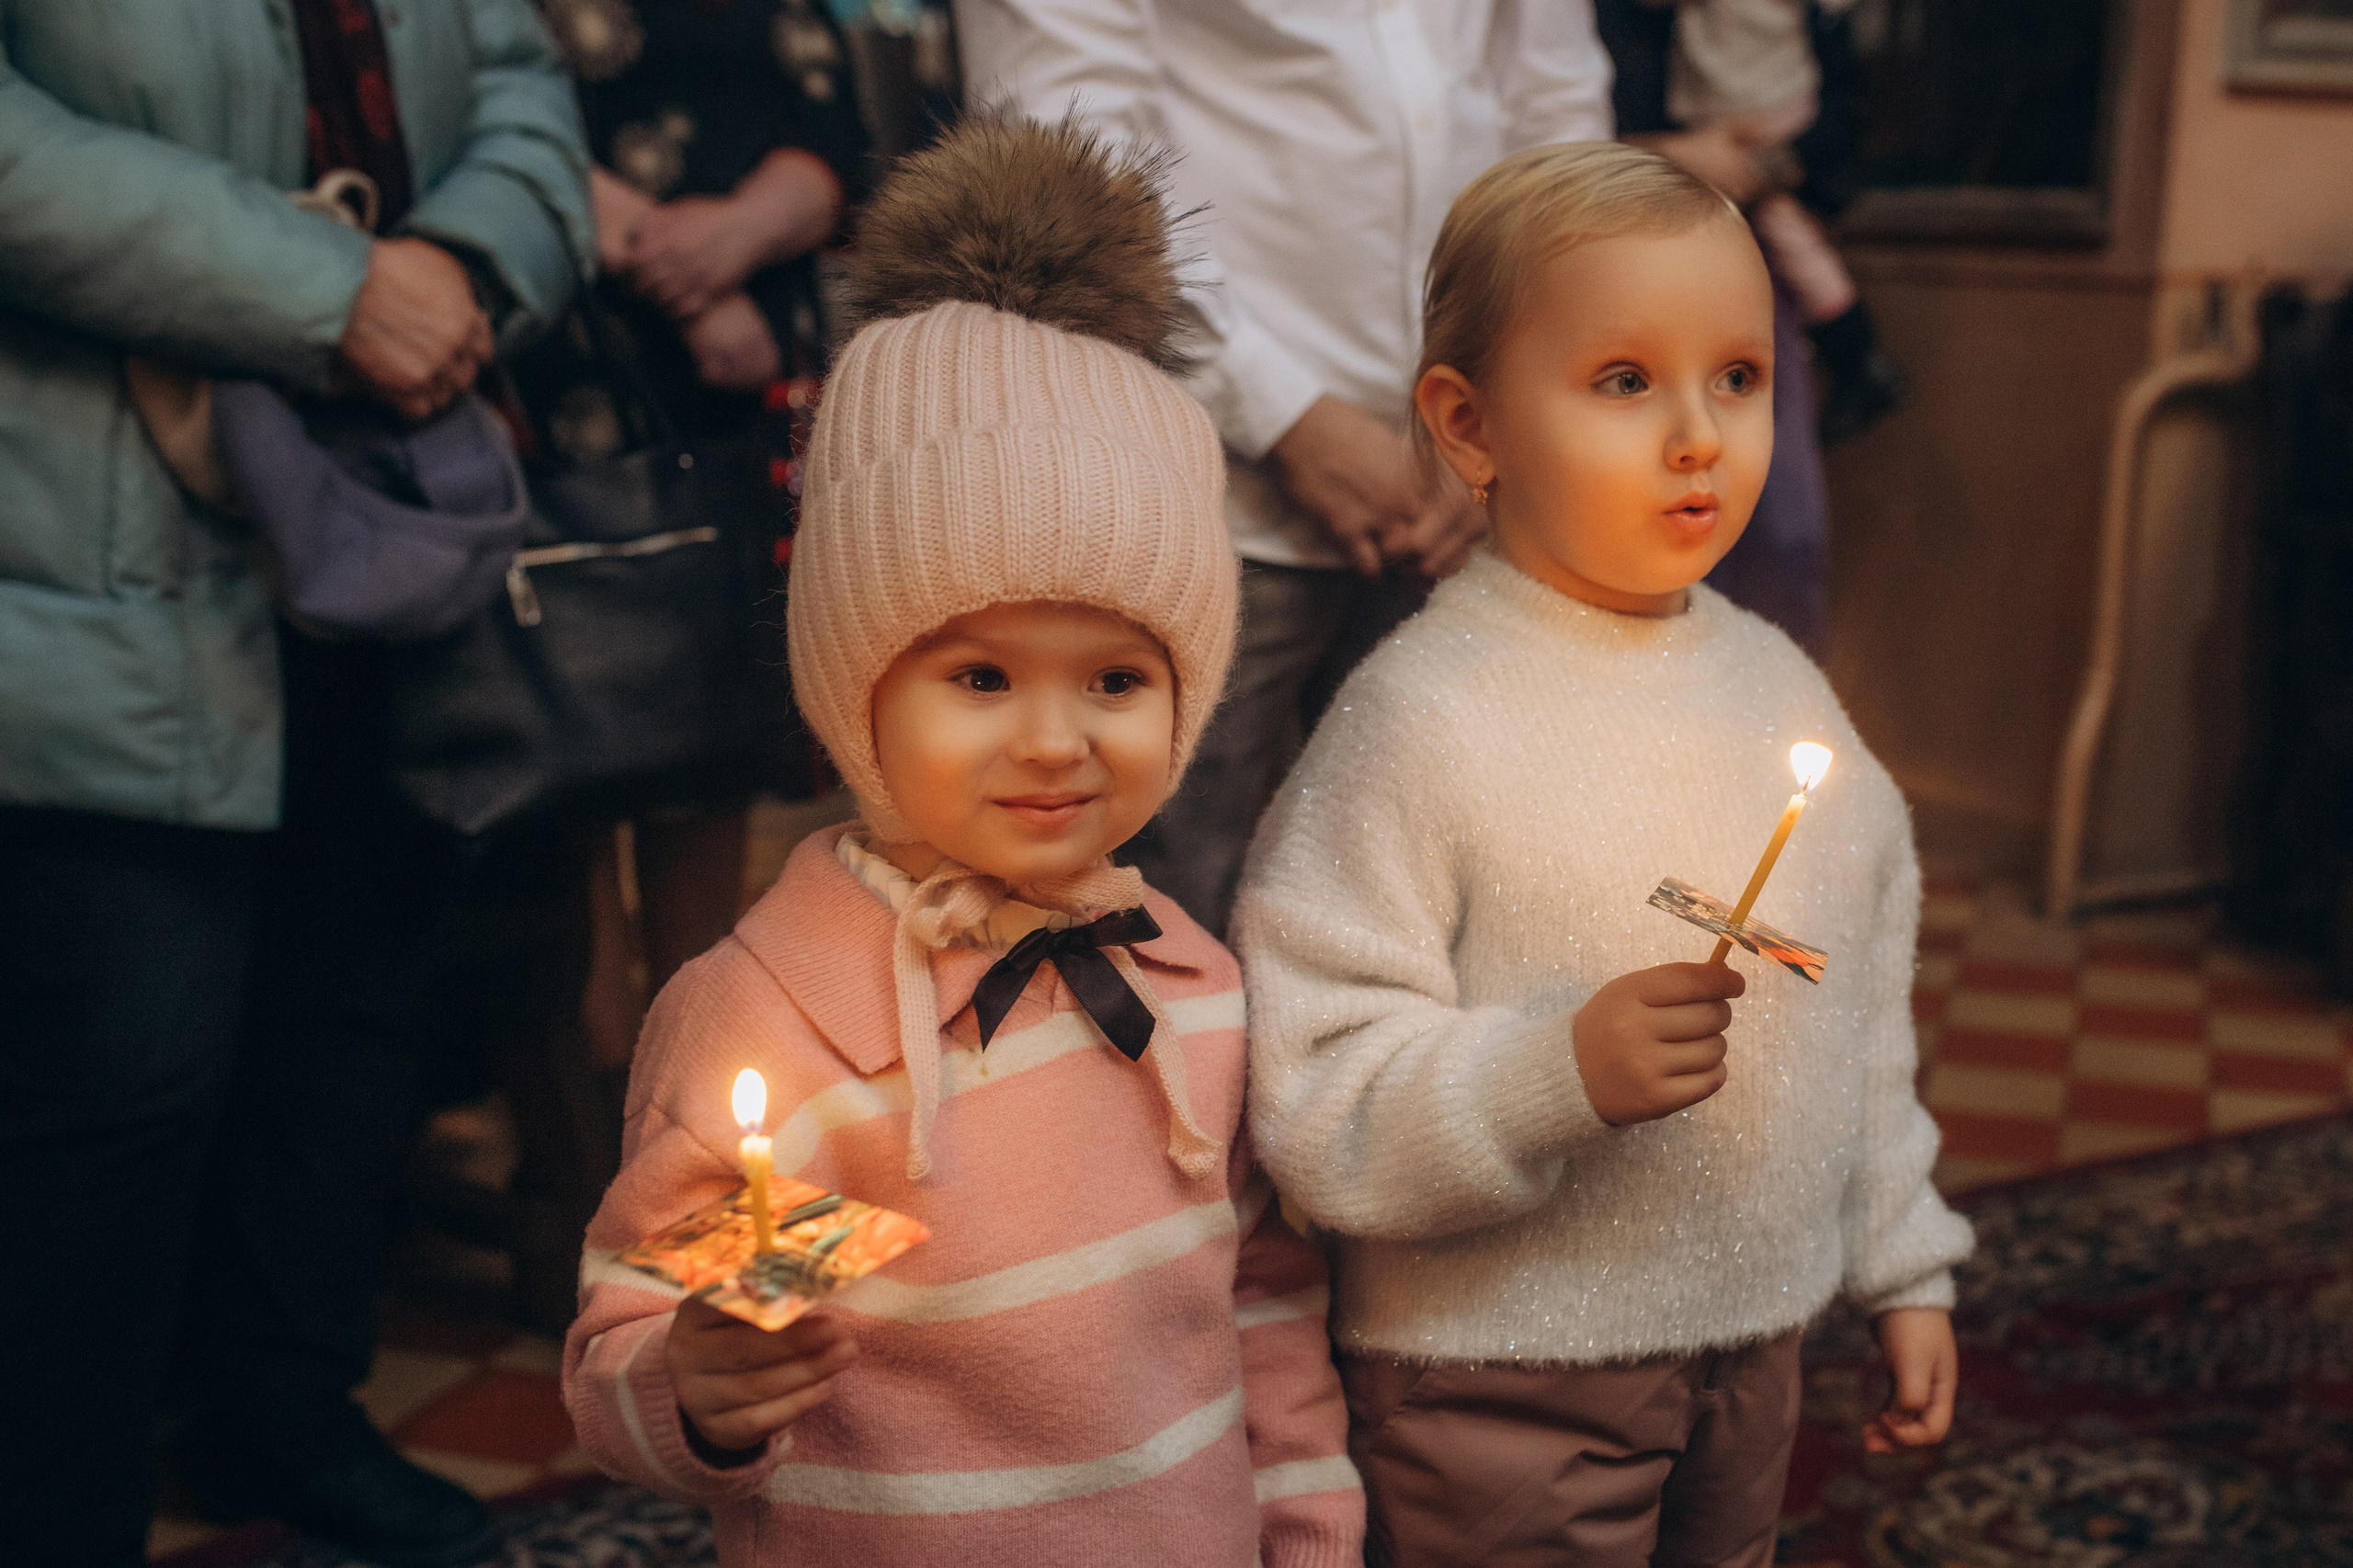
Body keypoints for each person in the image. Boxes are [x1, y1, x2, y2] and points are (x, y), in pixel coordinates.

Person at [561, 116, 1361, 1568]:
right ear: (855, 682)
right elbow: (632, 1345)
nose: (1056, 739)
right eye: (980, 677)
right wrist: (702, 1386)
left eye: (1117, 679)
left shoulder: (1191, 984)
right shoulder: (792, 1029)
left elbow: (1257, 1302)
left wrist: (1305, 1529)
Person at [1234, 143, 1972, 1566]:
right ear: (1469, 425)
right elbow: (1314, 1092)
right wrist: (1547, 1073)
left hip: (1752, 1340)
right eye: (1625, 381)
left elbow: (1858, 1020)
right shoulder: (1420, 720)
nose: (1698, 433)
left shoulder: (1785, 692)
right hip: (1492, 1373)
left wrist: (1904, 1261)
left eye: (1738, 379)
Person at [0, 6, 589, 1566]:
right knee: (118, 1079)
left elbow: (524, 78)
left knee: (352, 1017)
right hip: (87, 540)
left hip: (383, 535)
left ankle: (282, 1414)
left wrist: (461, 268)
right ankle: (60, 1508)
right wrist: (325, 289)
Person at [955, 0, 1614, 933]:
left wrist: (1508, 401)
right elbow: (1064, 143)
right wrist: (1283, 414)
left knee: (1444, 919)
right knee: (1162, 930)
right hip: (1188, 481)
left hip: (1468, 472)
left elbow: (1553, 115)